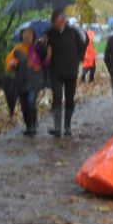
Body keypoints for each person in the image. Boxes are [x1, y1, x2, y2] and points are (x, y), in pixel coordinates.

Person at [42, 9, 87, 137]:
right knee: (57, 97)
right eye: (53, 21)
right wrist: (43, 45)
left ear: (61, 21)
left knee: (69, 98)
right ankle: (57, 127)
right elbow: (42, 52)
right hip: (56, 71)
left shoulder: (72, 32)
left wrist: (79, 59)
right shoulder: (49, 34)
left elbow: (83, 45)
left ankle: (67, 126)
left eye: (55, 21)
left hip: (71, 71)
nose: (53, 23)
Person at [6, 27, 46, 136]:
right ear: (21, 36)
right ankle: (29, 126)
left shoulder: (37, 49)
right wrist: (12, 64)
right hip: (21, 81)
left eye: (29, 34)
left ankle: (33, 125)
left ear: (33, 37)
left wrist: (34, 65)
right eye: (25, 34)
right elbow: (9, 66)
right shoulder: (17, 49)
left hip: (34, 81)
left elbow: (44, 64)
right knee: (24, 105)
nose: (27, 37)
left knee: (30, 102)